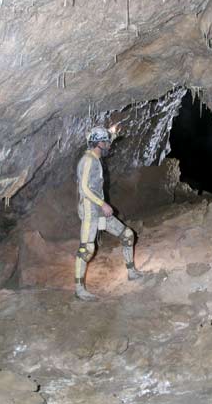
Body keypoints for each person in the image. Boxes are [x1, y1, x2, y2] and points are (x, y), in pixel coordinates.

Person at [74, 125, 143, 301]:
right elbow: (83, 188)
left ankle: (131, 272)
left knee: (127, 235)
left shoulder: (96, 158)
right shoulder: (88, 160)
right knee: (86, 249)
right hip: (91, 211)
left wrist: (113, 131)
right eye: (106, 142)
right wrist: (101, 203)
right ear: (99, 144)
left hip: (100, 211)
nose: (109, 145)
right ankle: (79, 290)